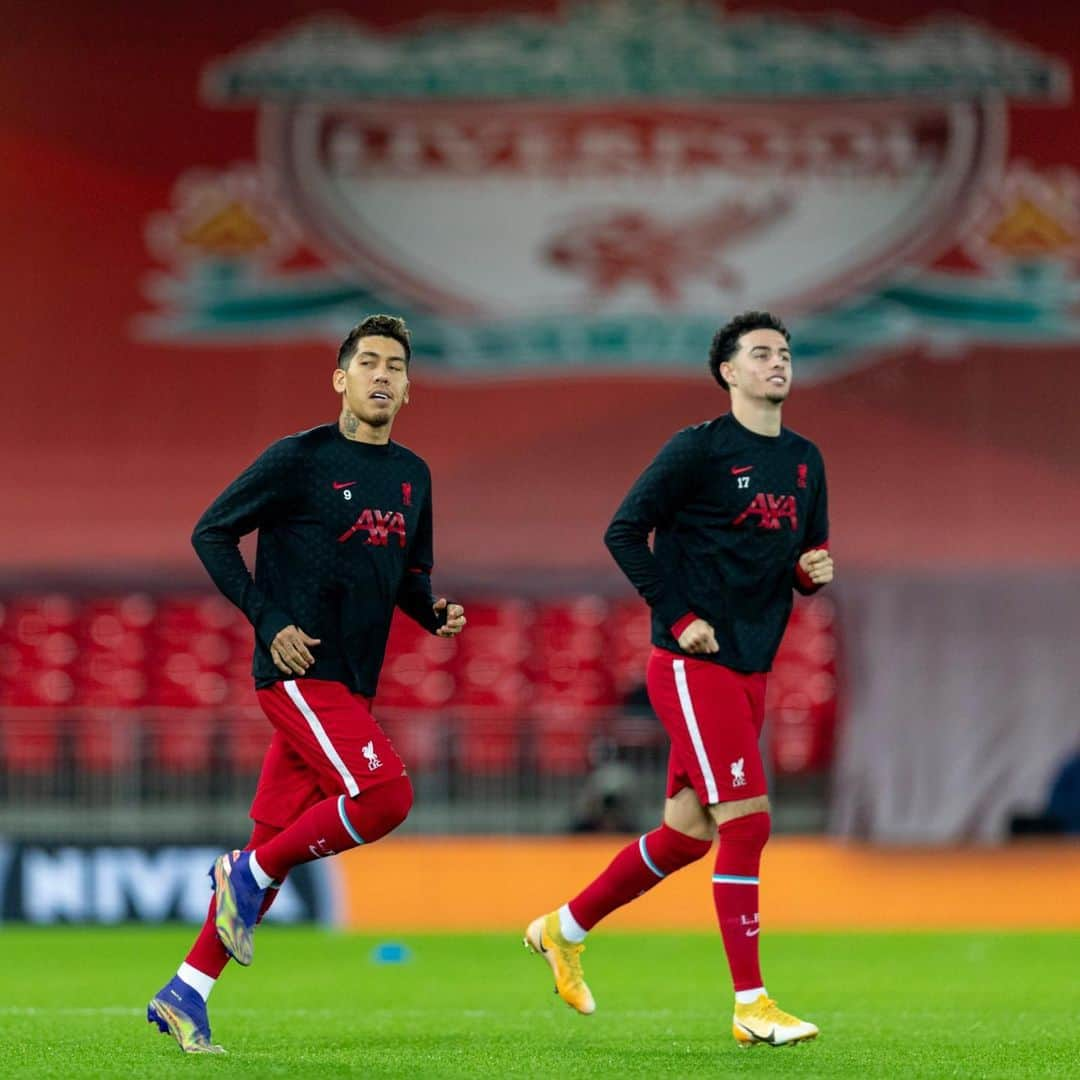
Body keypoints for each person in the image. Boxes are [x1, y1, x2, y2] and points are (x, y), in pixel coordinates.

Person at [147, 314, 466, 1054]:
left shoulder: (413, 476)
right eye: (369, 364)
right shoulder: (297, 459)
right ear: (340, 378)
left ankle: (185, 992)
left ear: (410, 386)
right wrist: (267, 618)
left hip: (353, 683)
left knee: (272, 848)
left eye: (395, 366)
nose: (382, 375)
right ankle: (246, 870)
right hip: (298, 672)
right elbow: (211, 532)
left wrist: (434, 610)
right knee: (386, 797)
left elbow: (410, 576)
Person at [525, 310, 832, 1048]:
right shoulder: (695, 451)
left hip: (753, 664)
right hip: (694, 665)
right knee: (749, 823)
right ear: (727, 371)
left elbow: (799, 554)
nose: (777, 363)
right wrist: (678, 612)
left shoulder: (804, 461)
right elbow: (623, 531)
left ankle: (561, 929)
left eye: (784, 353)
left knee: (688, 835)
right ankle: (751, 1004)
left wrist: (807, 573)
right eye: (761, 353)